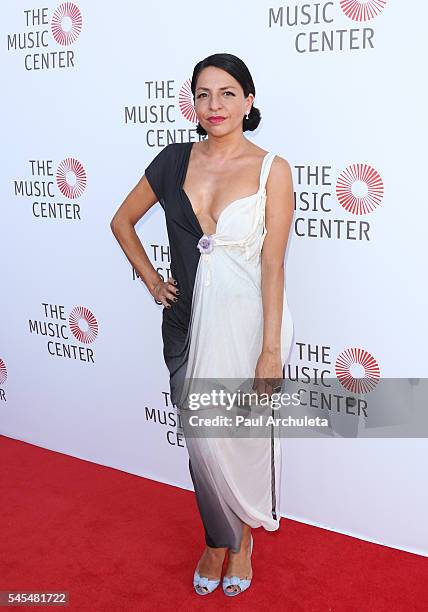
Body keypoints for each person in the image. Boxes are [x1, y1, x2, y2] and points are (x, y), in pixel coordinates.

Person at [110, 52, 294, 597]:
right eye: (204, 94)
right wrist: (150, 278)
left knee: (237, 437)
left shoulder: (272, 170)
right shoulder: (172, 161)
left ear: (249, 101)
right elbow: (121, 221)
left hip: (248, 326)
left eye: (228, 93)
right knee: (200, 441)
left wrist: (269, 351)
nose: (214, 106)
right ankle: (219, 540)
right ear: (193, 102)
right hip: (187, 322)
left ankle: (239, 544)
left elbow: (274, 264)